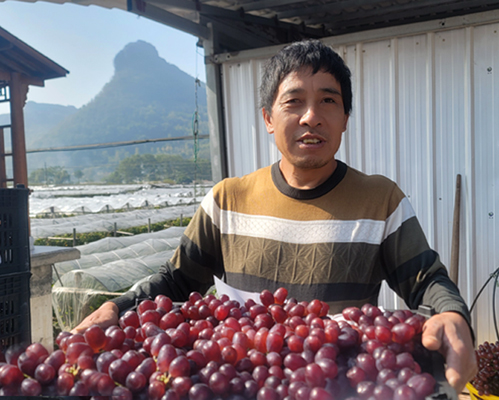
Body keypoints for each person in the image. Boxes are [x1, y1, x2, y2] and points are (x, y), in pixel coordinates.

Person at [74, 39, 476, 392]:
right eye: (294, 101)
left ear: (345, 120)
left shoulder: (380, 199)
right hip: (243, 383)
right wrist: (120, 307)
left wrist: (451, 313)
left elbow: (426, 280)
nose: (310, 117)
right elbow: (178, 280)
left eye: (328, 101)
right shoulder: (227, 199)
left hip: (334, 386)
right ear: (268, 118)